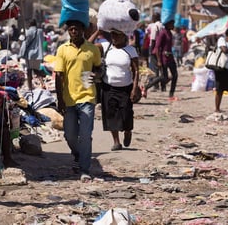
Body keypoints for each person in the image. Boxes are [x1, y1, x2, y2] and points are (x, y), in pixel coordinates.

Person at [54, 19, 101, 182]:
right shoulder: (62, 50)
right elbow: (58, 76)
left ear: (83, 30)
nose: (73, 31)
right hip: (69, 99)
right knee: (70, 135)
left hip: (87, 96)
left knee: (86, 134)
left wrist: (97, 75)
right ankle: (77, 153)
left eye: (76, 29)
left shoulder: (92, 49)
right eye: (71, 29)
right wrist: (60, 100)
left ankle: (84, 169)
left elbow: (98, 67)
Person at [89, 27, 140, 151]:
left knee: (126, 114)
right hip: (108, 87)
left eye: (117, 35)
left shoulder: (130, 50)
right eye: (112, 35)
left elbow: (136, 70)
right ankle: (116, 141)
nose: (114, 38)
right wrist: (98, 31)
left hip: (126, 88)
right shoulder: (106, 46)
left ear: (124, 36)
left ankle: (127, 131)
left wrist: (134, 88)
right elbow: (88, 45)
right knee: (110, 115)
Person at [142, 20, 178, 101]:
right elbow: (157, 47)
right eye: (172, 24)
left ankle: (171, 94)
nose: (173, 25)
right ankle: (146, 87)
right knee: (163, 76)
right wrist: (158, 60)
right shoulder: (162, 33)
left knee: (175, 75)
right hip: (163, 57)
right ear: (168, 24)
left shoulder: (169, 33)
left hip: (170, 57)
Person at [20, 19, 45, 90]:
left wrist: (21, 53)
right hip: (38, 54)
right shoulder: (40, 31)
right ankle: (42, 83)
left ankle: (30, 86)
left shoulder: (28, 32)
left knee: (29, 70)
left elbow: (25, 43)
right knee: (37, 70)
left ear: (29, 24)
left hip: (30, 54)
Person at [145, 12, 162, 91]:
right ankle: (158, 85)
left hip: (154, 47)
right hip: (161, 48)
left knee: (153, 67)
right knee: (158, 67)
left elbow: (153, 39)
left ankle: (154, 85)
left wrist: (152, 50)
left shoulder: (155, 26)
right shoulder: (162, 25)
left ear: (154, 18)